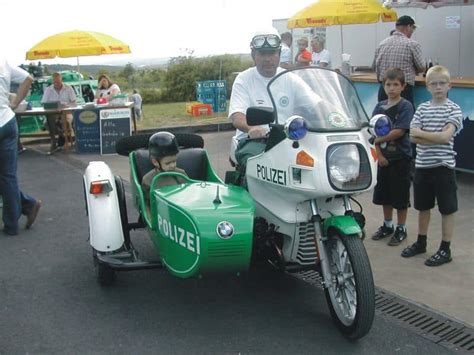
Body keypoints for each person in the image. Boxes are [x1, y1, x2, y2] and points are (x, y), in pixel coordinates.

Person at [229, 28, 331, 169]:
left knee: (320, 165)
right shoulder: (244, 79)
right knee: (260, 166)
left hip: (288, 140)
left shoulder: (290, 78)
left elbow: (317, 103)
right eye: (262, 54)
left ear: (279, 54)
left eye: (272, 53)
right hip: (254, 141)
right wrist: (251, 128)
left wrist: (337, 115)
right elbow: (237, 116)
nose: (268, 59)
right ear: (254, 55)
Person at [401, 65, 463, 266]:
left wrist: (425, 135)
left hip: (443, 167)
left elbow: (446, 136)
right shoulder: (422, 108)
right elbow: (412, 136)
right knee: (423, 207)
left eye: (442, 83)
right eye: (433, 84)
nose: (438, 87)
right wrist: (436, 137)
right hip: (423, 166)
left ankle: (445, 248)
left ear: (449, 85)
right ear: (427, 87)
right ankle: (421, 242)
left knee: (447, 208)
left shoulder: (454, 109)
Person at [370, 68, 414, 246]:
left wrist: (379, 138)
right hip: (383, 159)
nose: (392, 88)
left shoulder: (405, 106)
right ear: (383, 85)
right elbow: (372, 132)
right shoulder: (379, 106)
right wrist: (379, 155)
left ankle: (401, 227)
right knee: (384, 194)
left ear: (403, 86)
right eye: (388, 84)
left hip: (400, 158)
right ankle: (387, 224)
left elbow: (399, 131)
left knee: (400, 195)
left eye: (396, 85)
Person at [0, 58, 42, 236]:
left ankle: (25, 206)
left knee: (5, 177)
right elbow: (28, 78)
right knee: (7, 176)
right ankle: (17, 216)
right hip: (7, 121)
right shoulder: (3, 62)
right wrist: (15, 103)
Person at [374, 15, 424, 105]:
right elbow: (421, 67)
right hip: (403, 89)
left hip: (384, 89)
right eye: (413, 28)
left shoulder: (381, 44)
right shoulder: (412, 44)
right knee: (404, 117)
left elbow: (376, 67)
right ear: (408, 27)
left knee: (383, 117)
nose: (413, 31)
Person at [142, 132, 188, 207]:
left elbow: (188, 195)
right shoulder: (148, 180)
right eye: (168, 163)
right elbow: (147, 205)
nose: (173, 165)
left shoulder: (181, 174)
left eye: (174, 161)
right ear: (155, 162)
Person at [41, 72, 76, 153]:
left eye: (58, 82)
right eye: (55, 82)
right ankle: (61, 136)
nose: (57, 84)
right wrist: (52, 105)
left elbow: (74, 103)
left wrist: (66, 105)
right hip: (53, 113)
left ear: (61, 80)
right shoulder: (48, 89)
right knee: (47, 123)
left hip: (66, 112)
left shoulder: (68, 88)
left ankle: (61, 138)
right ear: (52, 81)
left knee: (66, 122)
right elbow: (43, 103)